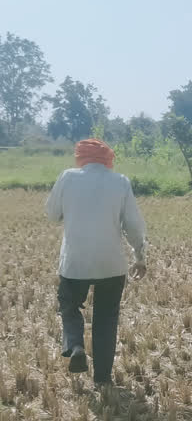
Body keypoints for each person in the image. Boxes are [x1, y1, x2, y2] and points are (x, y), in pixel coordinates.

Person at [46, 138, 147, 386]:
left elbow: (51, 213)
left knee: (69, 307)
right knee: (106, 319)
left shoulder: (67, 177)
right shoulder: (120, 182)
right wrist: (140, 256)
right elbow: (133, 226)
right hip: (111, 265)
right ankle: (102, 378)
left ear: (80, 158)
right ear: (107, 159)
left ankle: (76, 345)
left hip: (75, 263)